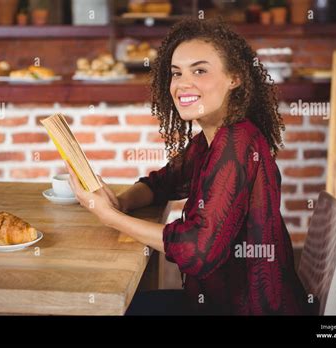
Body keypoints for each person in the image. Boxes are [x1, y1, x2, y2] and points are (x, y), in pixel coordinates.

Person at [66, 18, 312, 315]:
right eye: (176, 73)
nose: (183, 83)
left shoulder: (237, 143)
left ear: (235, 77)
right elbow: (163, 183)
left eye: (200, 70)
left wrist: (109, 217)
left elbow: (197, 251)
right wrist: (121, 202)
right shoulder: (213, 138)